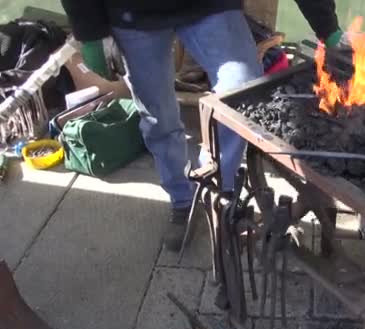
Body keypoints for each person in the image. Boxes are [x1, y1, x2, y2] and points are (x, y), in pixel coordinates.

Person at [60, 0, 346, 252]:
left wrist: (327, 27)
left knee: (243, 91)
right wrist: (90, 31)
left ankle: (219, 194)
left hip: (208, 5)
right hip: (132, 12)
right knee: (158, 116)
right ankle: (182, 200)